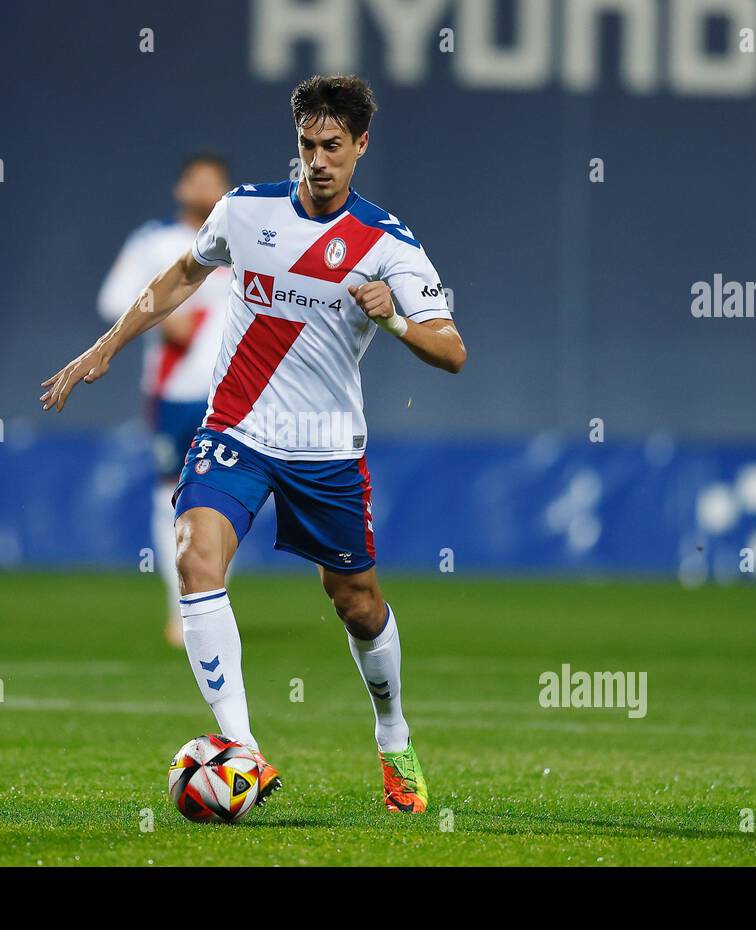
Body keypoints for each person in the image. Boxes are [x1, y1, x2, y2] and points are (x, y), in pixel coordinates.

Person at [40, 75, 465, 813]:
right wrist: (103, 348)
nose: (319, 160)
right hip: (236, 428)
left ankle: (393, 736)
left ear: (361, 146)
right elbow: (181, 274)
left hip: (326, 447)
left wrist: (395, 320)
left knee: (357, 603)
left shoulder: (388, 244)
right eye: (308, 145)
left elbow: (453, 350)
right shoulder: (245, 210)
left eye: (334, 146)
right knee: (194, 556)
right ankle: (243, 749)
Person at [97, 155, 233, 647]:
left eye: (213, 180)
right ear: (179, 188)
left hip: (230, 394)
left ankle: (209, 602)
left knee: (220, 500)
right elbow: (112, 298)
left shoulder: (243, 239)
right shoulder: (152, 241)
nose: (203, 188)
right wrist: (159, 312)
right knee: (167, 500)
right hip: (171, 393)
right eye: (195, 179)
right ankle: (180, 605)